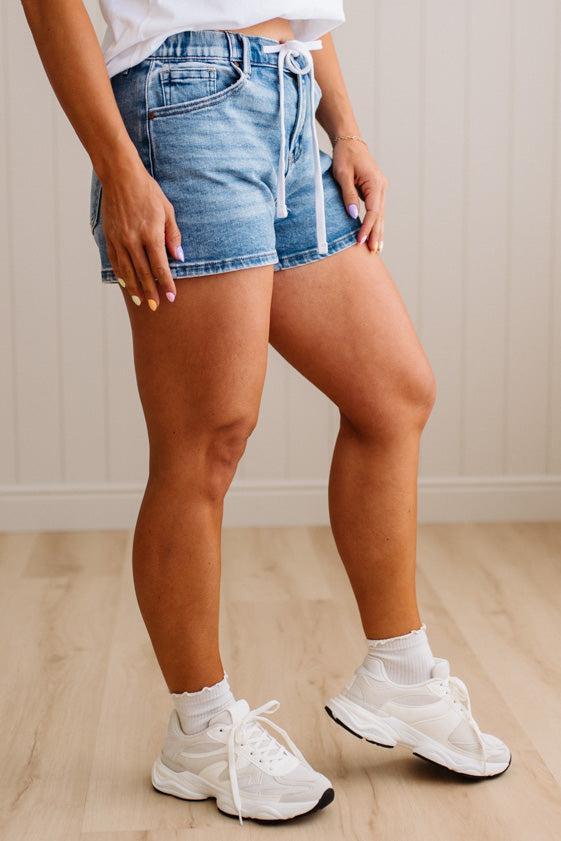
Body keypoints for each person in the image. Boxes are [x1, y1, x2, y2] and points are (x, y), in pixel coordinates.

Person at [22, 0, 511, 826]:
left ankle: (398, 674)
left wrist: (345, 129)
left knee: (393, 394)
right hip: (185, 105)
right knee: (206, 440)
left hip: (287, 95)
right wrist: (118, 167)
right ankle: (200, 729)